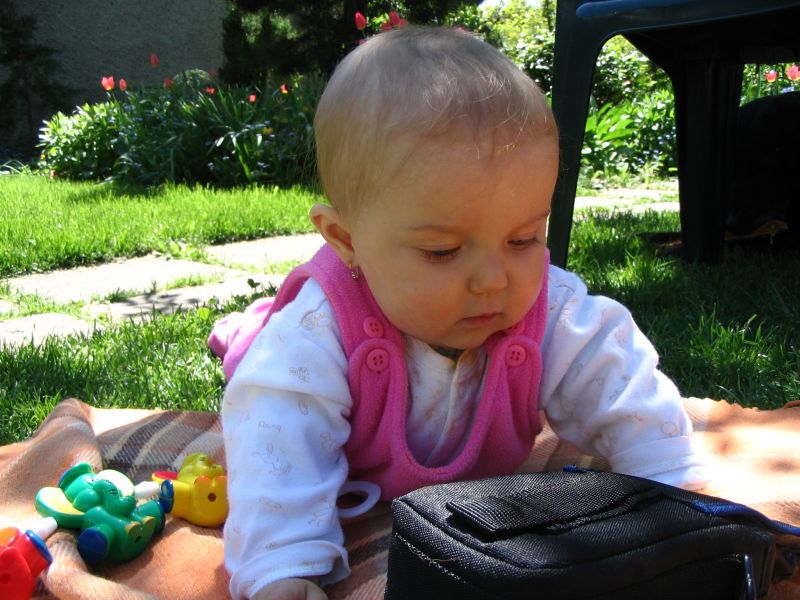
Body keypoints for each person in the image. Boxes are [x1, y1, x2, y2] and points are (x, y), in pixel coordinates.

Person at [211, 25, 709, 600]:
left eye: (523, 238)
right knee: (261, 360)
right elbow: (276, 444)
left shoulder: (549, 306)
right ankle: (245, 329)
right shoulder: (318, 331)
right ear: (346, 240)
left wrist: (674, 486)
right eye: (443, 251)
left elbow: (620, 381)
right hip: (289, 357)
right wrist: (283, 567)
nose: (494, 279)